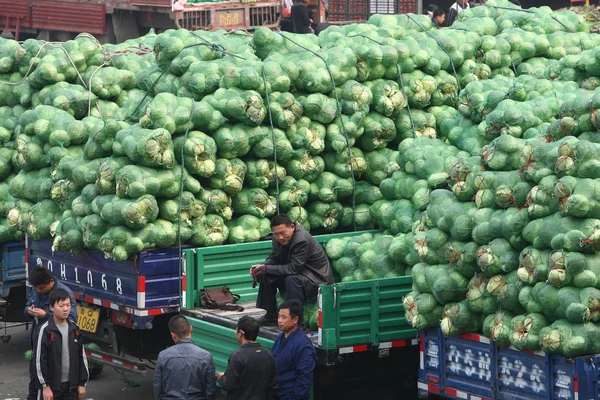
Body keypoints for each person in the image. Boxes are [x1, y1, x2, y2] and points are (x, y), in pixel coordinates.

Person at [251, 214, 333, 325]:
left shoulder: (301, 240)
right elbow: (274, 257)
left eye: (283, 233)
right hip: (300, 274)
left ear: (292, 227)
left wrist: (267, 268)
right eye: (276, 234)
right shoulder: (278, 239)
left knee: (292, 279)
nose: (280, 237)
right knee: (266, 274)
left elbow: (294, 268)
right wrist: (262, 267)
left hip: (316, 279)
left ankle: (296, 321)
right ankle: (271, 314)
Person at [25, 267, 77, 400]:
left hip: (56, 347)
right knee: (34, 386)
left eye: (41, 288)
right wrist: (29, 311)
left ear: (51, 281)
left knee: (53, 387)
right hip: (38, 341)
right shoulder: (36, 290)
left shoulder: (64, 294)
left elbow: (70, 321)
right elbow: (27, 307)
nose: (38, 291)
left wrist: (45, 315)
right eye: (36, 288)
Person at [33, 289, 89, 400]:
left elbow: (81, 357)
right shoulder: (46, 330)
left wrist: (82, 383)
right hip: (52, 388)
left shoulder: (74, 329)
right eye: (61, 305)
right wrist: (45, 387)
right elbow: (39, 360)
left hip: (71, 387)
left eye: (68, 305)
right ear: (51, 307)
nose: (65, 309)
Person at [153, 315, 216, 400]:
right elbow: (210, 390)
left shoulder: (163, 356)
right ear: (191, 329)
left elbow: (158, 387)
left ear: (173, 335)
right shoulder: (206, 357)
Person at [216, 316, 277, 400]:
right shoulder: (269, 355)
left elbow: (228, 385)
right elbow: (272, 385)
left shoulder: (237, 356)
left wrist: (221, 378)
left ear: (240, 333)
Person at [271, 301, 316, 400]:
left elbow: (304, 379)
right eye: (279, 317)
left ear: (295, 319)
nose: (279, 321)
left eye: (284, 317)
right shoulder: (280, 338)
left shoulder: (303, 346)